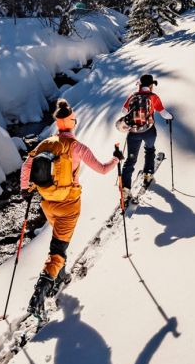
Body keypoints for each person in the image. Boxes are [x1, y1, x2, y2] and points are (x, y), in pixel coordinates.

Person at [20, 98, 123, 318]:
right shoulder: (77, 147)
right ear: (72, 122)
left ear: (58, 123)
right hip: (69, 205)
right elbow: (103, 170)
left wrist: (24, 190)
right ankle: (39, 294)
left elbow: (26, 166)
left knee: (59, 240)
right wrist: (116, 160)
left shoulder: (45, 144)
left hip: (48, 203)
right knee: (57, 250)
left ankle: (60, 276)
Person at [119, 73, 172, 201]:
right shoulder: (153, 97)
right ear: (151, 85)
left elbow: (123, 112)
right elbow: (164, 113)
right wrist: (171, 117)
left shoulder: (133, 96)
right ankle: (148, 174)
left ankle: (126, 189)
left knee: (130, 160)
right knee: (149, 149)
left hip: (133, 133)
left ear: (140, 84)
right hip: (149, 131)